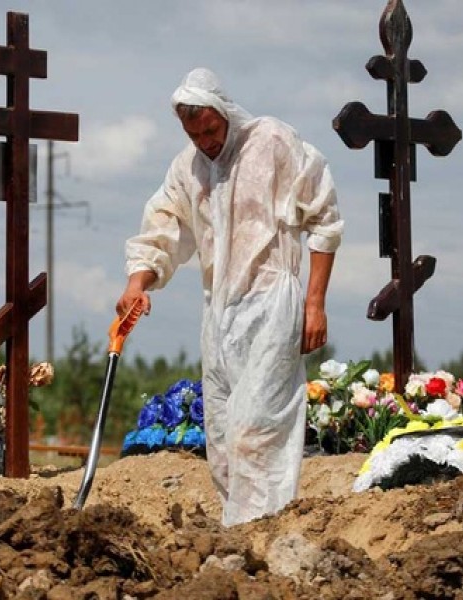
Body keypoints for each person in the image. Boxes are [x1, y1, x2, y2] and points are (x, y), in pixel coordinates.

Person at [116, 67, 343, 526]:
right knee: (221, 437)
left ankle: (259, 530)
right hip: (218, 314)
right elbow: (163, 229)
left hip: (272, 302)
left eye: (211, 130)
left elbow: (323, 217)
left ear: (225, 113)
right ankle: (239, 529)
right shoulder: (188, 168)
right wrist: (137, 283)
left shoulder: (271, 142)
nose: (205, 141)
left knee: (255, 428)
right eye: (194, 134)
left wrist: (314, 304)